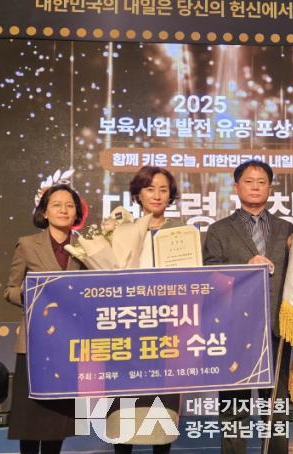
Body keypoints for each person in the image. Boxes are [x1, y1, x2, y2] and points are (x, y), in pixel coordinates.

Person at [203, 160, 293, 454]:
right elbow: (210, 274)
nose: (256, 187)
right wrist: (245, 266)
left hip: (276, 328)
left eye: (262, 182)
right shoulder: (219, 230)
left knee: (276, 406)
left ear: (270, 188)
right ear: (236, 187)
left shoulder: (287, 229)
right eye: (249, 181)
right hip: (234, 329)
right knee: (234, 406)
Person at [4, 184, 86, 454]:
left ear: (77, 213)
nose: (64, 210)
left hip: (68, 343)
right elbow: (10, 289)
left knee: (56, 417)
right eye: (56, 205)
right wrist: (31, 295)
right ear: (45, 212)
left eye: (70, 205)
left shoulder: (86, 247)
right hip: (35, 342)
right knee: (30, 416)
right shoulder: (27, 244)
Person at [107, 165, 183, 454]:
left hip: (168, 329)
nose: (157, 195)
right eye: (150, 189)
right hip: (126, 329)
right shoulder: (121, 231)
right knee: (124, 401)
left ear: (171, 195)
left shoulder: (182, 231)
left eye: (163, 190)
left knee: (163, 404)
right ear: (138, 194)